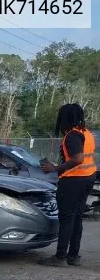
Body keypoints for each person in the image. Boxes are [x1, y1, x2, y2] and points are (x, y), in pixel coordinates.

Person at [39, 103, 96, 266]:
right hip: (87, 178)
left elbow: (78, 158)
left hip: (73, 180)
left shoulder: (72, 135)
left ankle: (60, 257)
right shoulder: (86, 133)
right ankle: (73, 255)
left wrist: (55, 168)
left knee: (67, 218)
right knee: (77, 218)